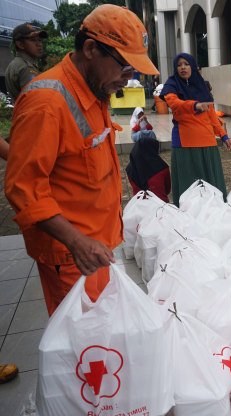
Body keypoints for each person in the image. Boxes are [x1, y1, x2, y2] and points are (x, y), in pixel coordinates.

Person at [4, 5, 158, 315]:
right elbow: (24, 188)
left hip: (95, 245)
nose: (128, 80)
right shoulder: (46, 102)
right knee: (85, 347)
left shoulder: (93, 90)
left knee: (103, 339)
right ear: (90, 49)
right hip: (73, 256)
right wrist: (76, 242)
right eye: (125, 68)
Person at [160, 52, 231, 204]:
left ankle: (214, 211)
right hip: (184, 142)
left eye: (186, 64)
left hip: (207, 142)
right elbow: (174, 104)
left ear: (193, 66)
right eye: (179, 65)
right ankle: (188, 213)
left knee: (211, 184)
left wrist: (223, 135)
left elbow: (212, 116)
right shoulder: (171, 85)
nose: (183, 67)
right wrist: (194, 104)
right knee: (189, 184)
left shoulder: (202, 87)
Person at [5, 23, 48, 102]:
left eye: (39, 40)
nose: (39, 44)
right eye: (33, 40)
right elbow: (36, 100)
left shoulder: (17, 63)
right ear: (21, 45)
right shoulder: (26, 67)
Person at [126, 137, 171, 202]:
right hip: (160, 205)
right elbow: (167, 189)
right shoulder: (162, 166)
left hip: (139, 205)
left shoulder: (131, 168)